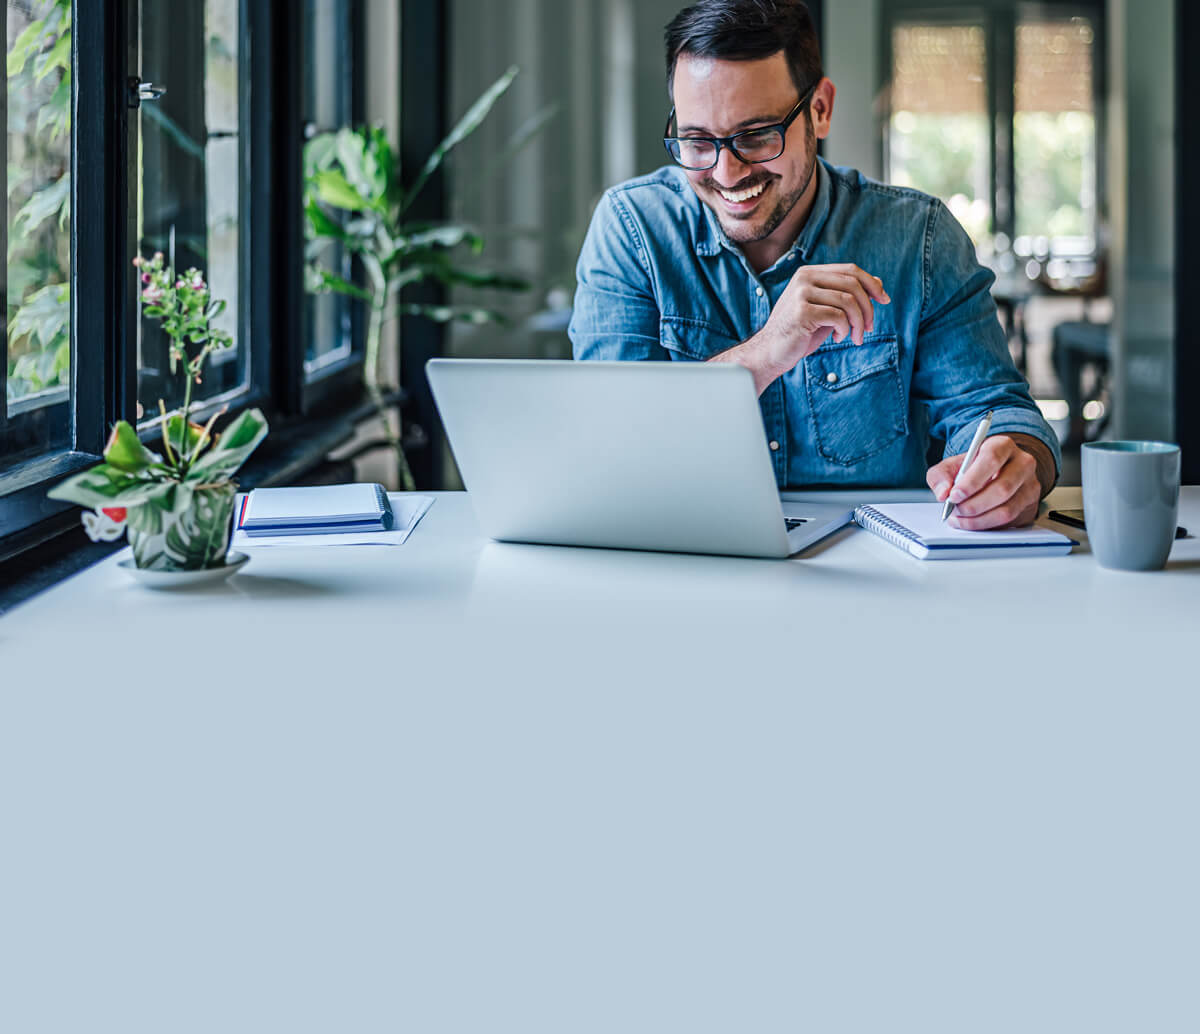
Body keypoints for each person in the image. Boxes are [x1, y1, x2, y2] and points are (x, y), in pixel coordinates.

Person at [568, 0, 1060, 530]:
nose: (727, 172)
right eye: (697, 141)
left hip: (873, 573)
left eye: (757, 136)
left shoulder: (918, 237)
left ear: (820, 109)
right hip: (684, 556)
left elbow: (994, 410)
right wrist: (763, 354)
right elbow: (608, 438)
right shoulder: (632, 229)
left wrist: (1015, 467)